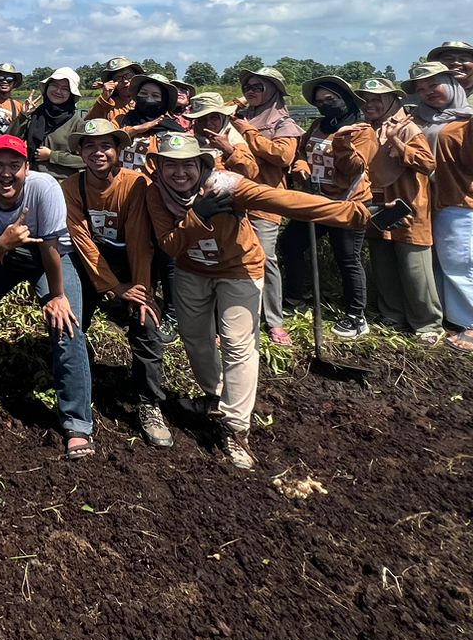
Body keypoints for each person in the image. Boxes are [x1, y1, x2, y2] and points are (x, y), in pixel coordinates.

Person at [137, 132, 402, 471]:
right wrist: (197, 216)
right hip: (193, 270)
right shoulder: (155, 194)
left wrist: (357, 214)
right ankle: (215, 396)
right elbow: (170, 246)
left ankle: (235, 428)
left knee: (237, 342)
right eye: (170, 166)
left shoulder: (228, 186)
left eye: (187, 165)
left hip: (238, 268)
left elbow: (286, 201)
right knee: (194, 339)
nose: (179, 174)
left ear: (201, 164)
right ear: (158, 168)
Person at [0, 136, 92, 460]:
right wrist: (3, 243)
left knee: (66, 321)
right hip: (5, 257)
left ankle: (77, 422)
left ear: (26, 168)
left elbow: (51, 247)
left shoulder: (44, 188)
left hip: (51, 259)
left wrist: (57, 296)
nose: (6, 174)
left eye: (14, 166)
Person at [61, 118, 172, 448]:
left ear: (118, 151)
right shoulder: (71, 187)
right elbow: (82, 241)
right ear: (80, 151)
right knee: (71, 321)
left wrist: (140, 289)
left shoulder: (136, 184)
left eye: (106, 145)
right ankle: (75, 389)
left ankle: (149, 403)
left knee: (146, 323)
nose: (98, 152)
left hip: (131, 264)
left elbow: (140, 240)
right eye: (90, 145)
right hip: (90, 266)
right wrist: (111, 287)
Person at [406, 60, 473, 352]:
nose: (428, 92)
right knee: (440, 261)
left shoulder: (471, 118)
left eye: (434, 84)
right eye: (421, 88)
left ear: (453, 84)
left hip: (460, 197)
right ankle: (452, 316)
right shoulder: (420, 120)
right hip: (426, 200)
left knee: (462, 260)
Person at [280, 76, 379, 339]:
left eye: (331, 100)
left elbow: (356, 168)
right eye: (320, 101)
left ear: (345, 99)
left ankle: (356, 315)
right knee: (291, 244)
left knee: (347, 257)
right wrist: (300, 166)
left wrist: (342, 145)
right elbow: (302, 151)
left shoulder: (362, 131)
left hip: (347, 202)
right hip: (316, 199)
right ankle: (295, 299)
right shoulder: (317, 125)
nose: (325, 105)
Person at [355, 76, 442, 343]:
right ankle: (392, 316)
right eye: (367, 100)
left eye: (377, 99)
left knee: (415, 267)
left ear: (394, 100)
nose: (370, 104)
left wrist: (397, 143)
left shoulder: (407, 128)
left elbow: (428, 165)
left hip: (407, 205)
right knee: (383, 262)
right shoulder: (366, 128)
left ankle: (428, 325)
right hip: (378, 204)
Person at [229, 66, 301, 348]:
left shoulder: (284, 124)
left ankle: (274, 319)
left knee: (265, 258)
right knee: (236, 256)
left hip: (265, 198)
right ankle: (242, 316)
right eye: (249, 86)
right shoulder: (239, 117)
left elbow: (283, 156)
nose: (252, 91)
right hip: (236, 195)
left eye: (259, 87)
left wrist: (248, 133)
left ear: (273, 90)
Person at [14, 67, 85, 181]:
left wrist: (52, 156)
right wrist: (23, 116)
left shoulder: (77, 123)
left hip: (62, 184)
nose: (58, 91)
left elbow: (86, 160)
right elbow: (9, 140)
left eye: (65, 89)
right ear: (47, 87)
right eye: (54, 85)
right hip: (30, 179)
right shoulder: (35, 115)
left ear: (71, 94)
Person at [116, 74, 185, 173]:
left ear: (164, 101)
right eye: (143, 93)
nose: (148, 99)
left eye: (155, 96)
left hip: (153, 186)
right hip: (122, 185)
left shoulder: (174, 131)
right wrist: (135, 130)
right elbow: (108, 141)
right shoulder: (122, 120)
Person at [88, 56, 139, 122]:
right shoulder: (107, 105)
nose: (125, 81)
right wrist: (104, 98)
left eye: (128, 76)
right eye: (119, 78)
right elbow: (89, 124)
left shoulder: (146, 98)